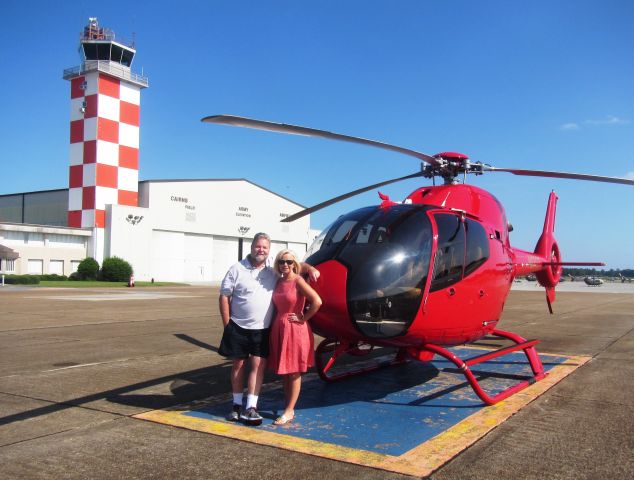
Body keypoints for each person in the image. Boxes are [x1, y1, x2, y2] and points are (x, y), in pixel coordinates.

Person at [218, 233, 319, 426]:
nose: (261, 250)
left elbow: (298, 267)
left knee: (259, 366)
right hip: (239, 326)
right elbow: (224, 296)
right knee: (238, 365)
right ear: (252, 246)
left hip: (263, 329)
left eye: (264, 247)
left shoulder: (274, 270)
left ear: (268, 250)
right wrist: (227, 325)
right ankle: (236, 405)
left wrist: (312, 268)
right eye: (258, 246)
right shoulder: (237, 269)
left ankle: (252, 407)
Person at [268, 249, 322, 425]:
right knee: (284, 372)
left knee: (293, 371)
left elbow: (317, 301)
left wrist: (303, 317)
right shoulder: (278, 281)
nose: (286, 264)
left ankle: (289, 410)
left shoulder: (298, 280)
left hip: (295, 328)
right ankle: (287, 406)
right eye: (282, 261)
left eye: (289, 262)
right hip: (279, 327)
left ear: (294, 264)